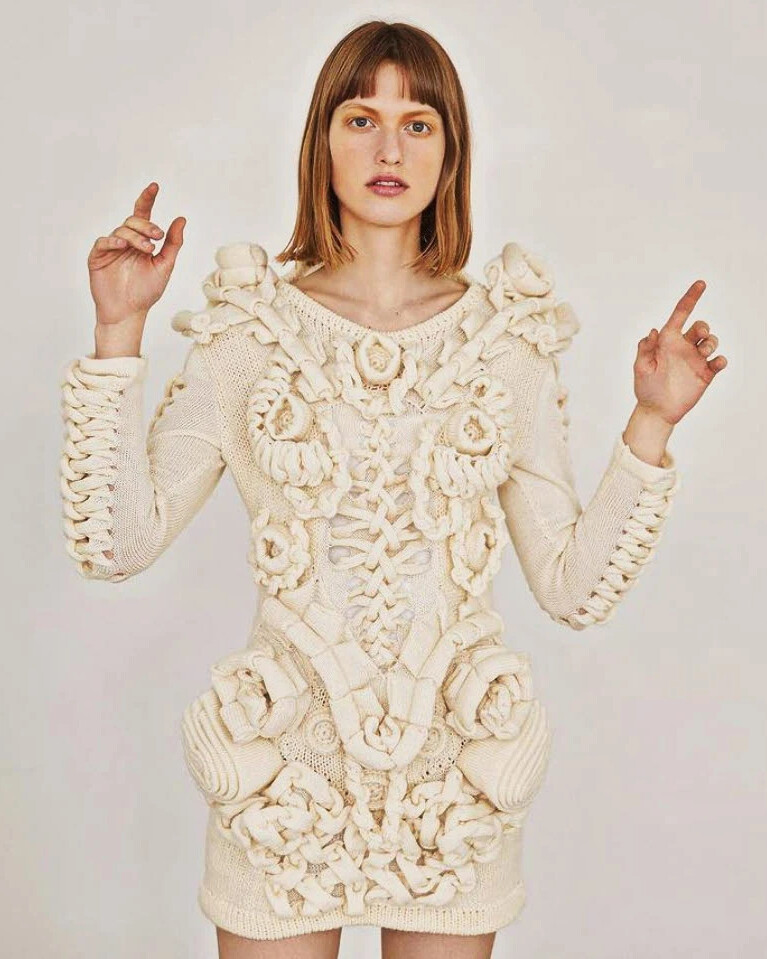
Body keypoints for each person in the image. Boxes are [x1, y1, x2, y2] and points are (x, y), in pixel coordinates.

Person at [59, 18, 726, 959]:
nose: (387, 149)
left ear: (450, 151)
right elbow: (114, 543)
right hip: (279, 779)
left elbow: (573, 587)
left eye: (418, 124)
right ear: (320, 141)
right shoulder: (248, 334)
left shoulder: (506, 341)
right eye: (360, 119)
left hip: (455, 786)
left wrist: (651, 424)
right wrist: (118, 329)